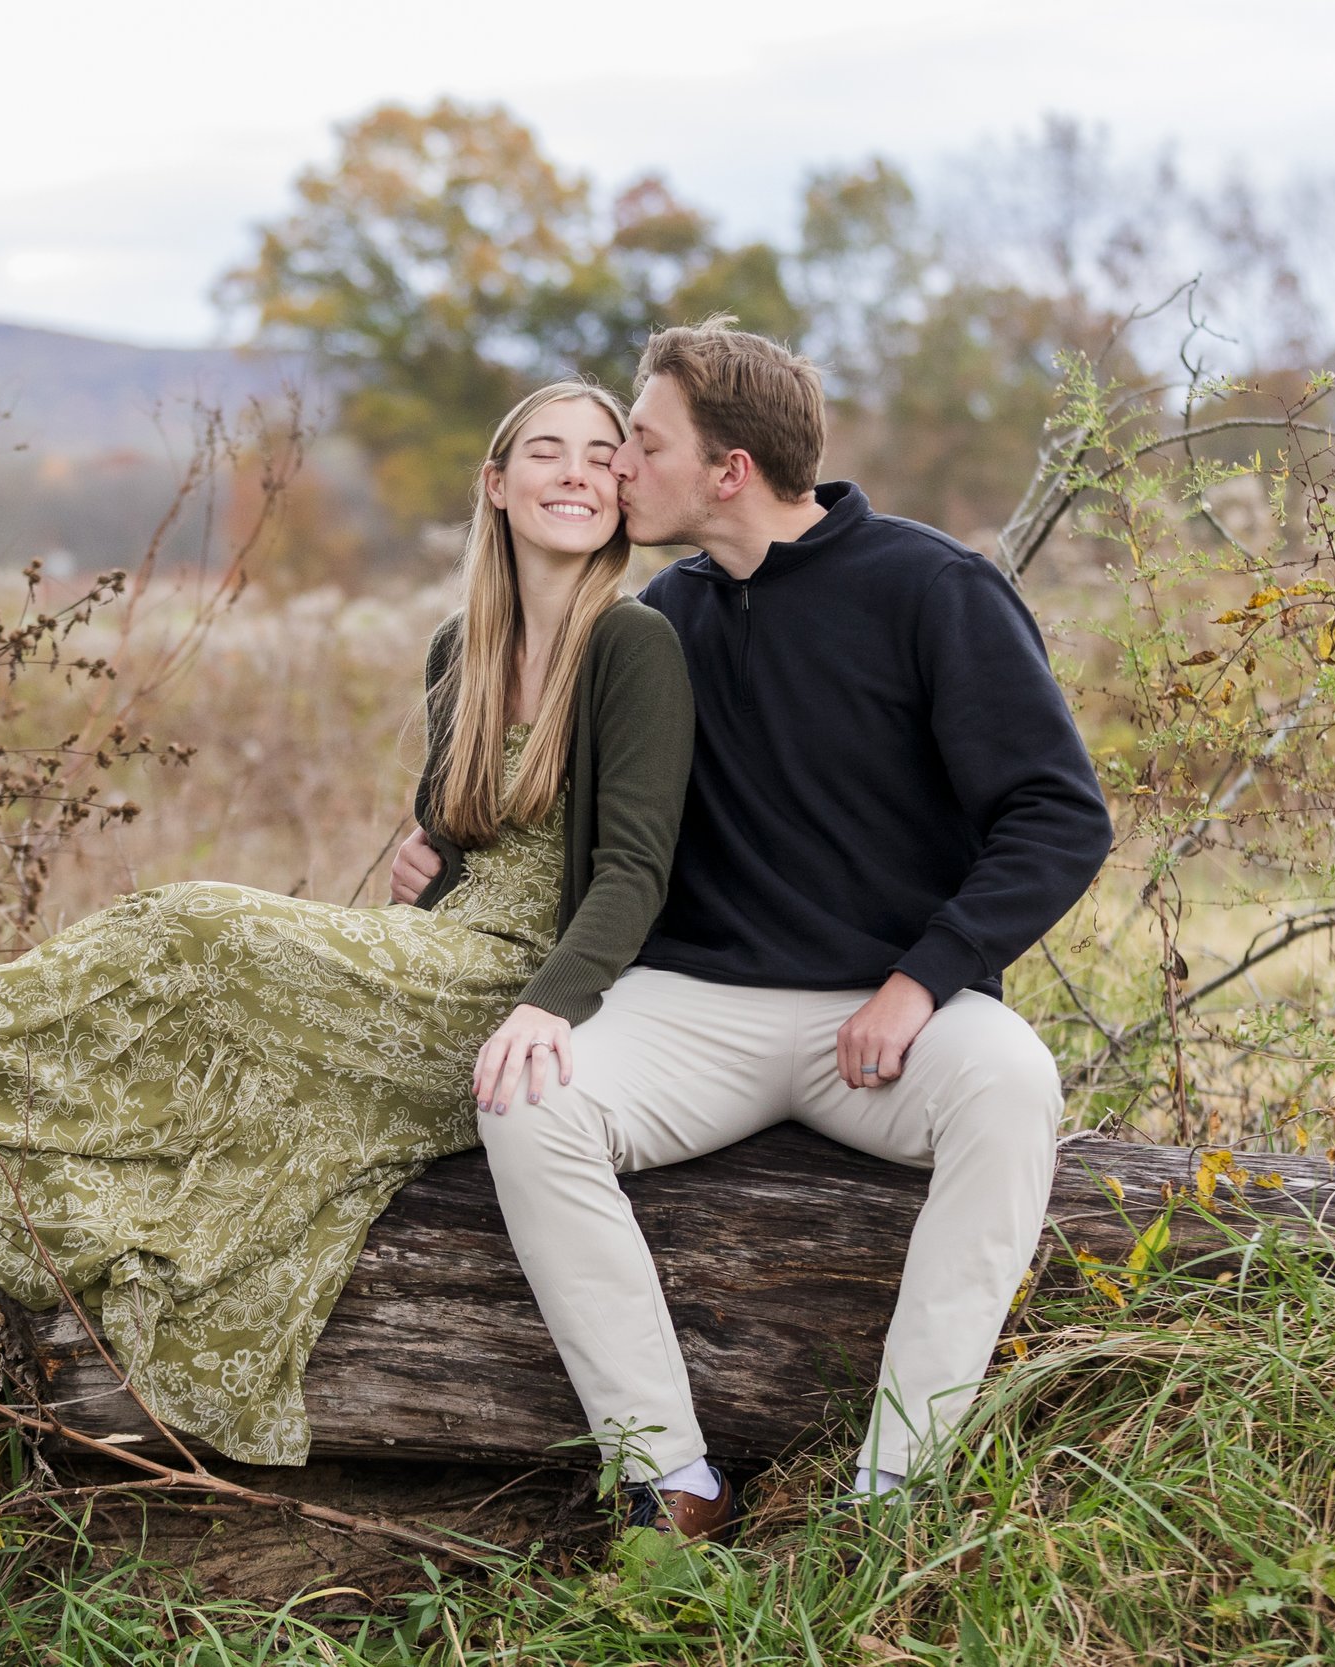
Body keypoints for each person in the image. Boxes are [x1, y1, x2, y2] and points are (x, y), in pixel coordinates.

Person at [0, 381, 694, 1470]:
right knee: (163, 1047)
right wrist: (423, 873)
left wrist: (540, 1006)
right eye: (545, 452)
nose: (574, 471)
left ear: (621, 489)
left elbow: (631, 872)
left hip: (515, 995)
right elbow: (457, 851)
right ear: (496, 483)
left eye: (598, 453)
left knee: (189, 929)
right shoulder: (459, 649)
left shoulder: (632, 643)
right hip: (434, 959)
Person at [391, 320, 1112, 1540]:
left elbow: (1057, 815)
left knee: (1012, 1084)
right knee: (528, 1097)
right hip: (693, 1005)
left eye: (644, 443)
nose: (618, 468)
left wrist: (923, 978)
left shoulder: (932, 589)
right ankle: (672, 1479)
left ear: (727, 470)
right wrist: (439, 852)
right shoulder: (661, 617)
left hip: (884, 1013)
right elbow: (562, 804)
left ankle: (899, 1481)